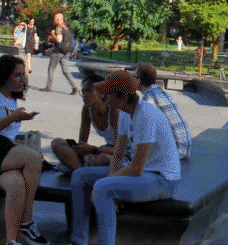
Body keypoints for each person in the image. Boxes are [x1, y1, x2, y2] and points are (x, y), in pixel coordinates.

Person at [69, 70, 181, 245]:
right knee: (79, 176)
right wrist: (111, 182)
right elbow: (118, 155)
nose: (104, 96)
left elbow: (136, 168)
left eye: (108, 93)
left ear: (123, 96)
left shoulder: (145, 114)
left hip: (162, 180)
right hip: (143, 175)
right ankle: (78, 240)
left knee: (101, 188)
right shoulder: (124, 114)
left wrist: (108, 184)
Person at [0, 55, 49, 245]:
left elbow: (8, 134)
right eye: (17, 75)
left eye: (23, 74)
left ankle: (11, 241)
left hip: (1, 152)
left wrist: (18, 119)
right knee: (34, 159)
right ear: (4, 76)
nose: (23, 79)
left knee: (16, 183)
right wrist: (12, 118)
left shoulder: (12, 99)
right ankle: (27, 222)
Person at [50, 75, 131, 172]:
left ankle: (78, 168)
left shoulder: (115, 112)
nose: (84, 95)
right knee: (57, 143)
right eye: (83, 91)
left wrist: (94, 150)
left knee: (103, 159)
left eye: (89, 91)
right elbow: (82, 141)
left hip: (125, 154)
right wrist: (81, 150)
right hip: (103, 150)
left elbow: (121, 150)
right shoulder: (87, 109)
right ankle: (81, 170)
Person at [137, 64, 192, 159]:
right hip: (184, 147)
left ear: (139, 80)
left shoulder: (149, 97)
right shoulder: (160, 91)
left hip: (175, 150)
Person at [43, 12, 78, 95]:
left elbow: (59, 40)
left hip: (58, 52)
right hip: (67, 52)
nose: (54, 20)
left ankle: (48, 88)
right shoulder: (67, 28)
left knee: (51, 69)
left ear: (59, 19)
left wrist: (52, 35)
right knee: (65, 71)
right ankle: (75, 87)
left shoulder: (59, 28)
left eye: (55, 18)